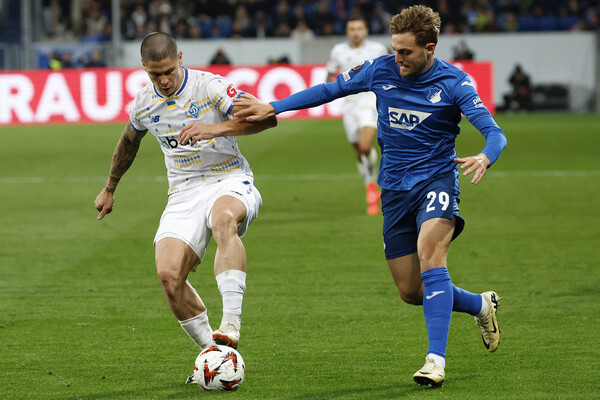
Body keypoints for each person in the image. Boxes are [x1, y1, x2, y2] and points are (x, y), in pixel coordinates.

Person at [232, 5, 507, 388]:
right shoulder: (380, 69)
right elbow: (329, 89)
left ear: (429, 48)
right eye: (395, 50)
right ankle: (479, 304)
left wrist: (485, 156)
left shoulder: (454, 83)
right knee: (410, 291)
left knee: (431, 256)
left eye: (406, 52)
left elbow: (495, 133)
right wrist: (274, 106)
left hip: (437, 182)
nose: (398, 58)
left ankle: (435, 361)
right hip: (393, 189)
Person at [93, 32, 277, 383]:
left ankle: (230, 324)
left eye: (168, 71)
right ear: (143, 68)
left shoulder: (211, 87)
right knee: (169, 277)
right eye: (155, 74)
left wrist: (214, 129)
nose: (163, 80)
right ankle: (215, 354)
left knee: (224, 220)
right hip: (182, 192)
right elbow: (128, 142)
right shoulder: (144, 103)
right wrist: (110, 188)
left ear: (180, 58)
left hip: (229, 179)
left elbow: (267, 119)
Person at [325, 15, 388, 215]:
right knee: (359, 152)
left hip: (370, 101)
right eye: (352, 29)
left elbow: (391, 71)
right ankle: (371, 188)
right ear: (347, 31)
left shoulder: (378, 49)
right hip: (350, 105)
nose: (356, 32)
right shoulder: (338, 51)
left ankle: (372, 187)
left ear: (366, 31)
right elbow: (329, 75)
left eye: (359, 28)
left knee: (365, 146)